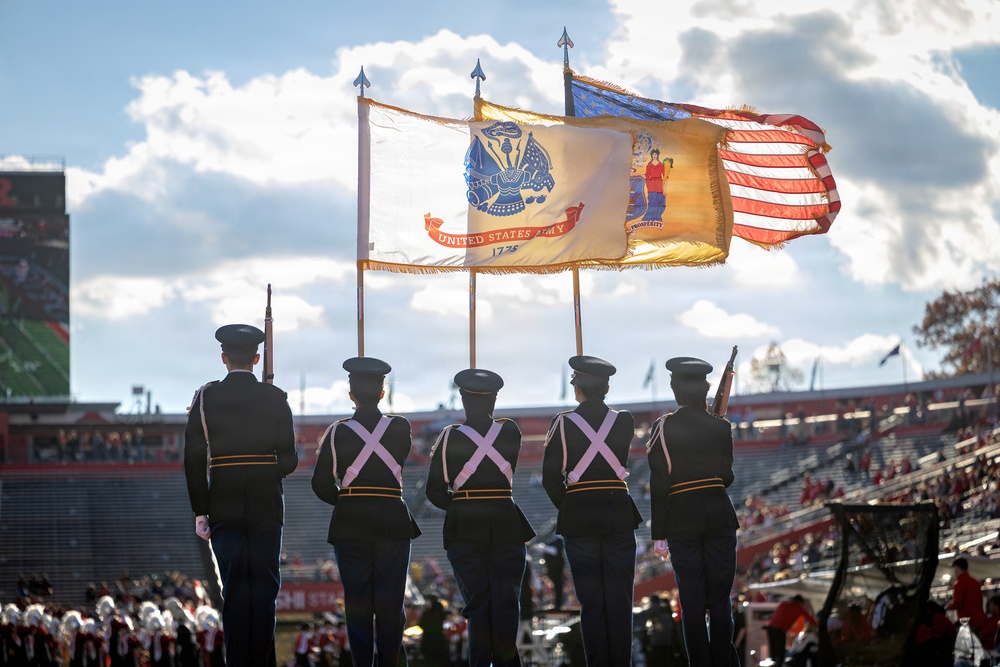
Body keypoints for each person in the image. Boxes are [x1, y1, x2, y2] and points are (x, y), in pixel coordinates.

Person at [184, 323, 297, 667]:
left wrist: (201, 511)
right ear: (257, 358)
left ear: (224, 358)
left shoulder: (206, 396)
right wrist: (265, 470)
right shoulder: (275, 398)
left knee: (233, 591)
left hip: (223, 503)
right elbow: (289, 460)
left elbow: (192, 459)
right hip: (266, 504)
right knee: (264, 591)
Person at [312, 357, 420, 667]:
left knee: (357, 605)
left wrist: (348, 502)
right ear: (383, 393)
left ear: (351, 395)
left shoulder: (337, 432)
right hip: (392, 521)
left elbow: (320, 484)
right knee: (391, 604)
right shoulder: (400, 427)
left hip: (351, 525)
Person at [425, 368, 536, 667]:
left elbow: (434, 490)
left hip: (465, 528)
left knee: (477, 605)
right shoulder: (510, 431)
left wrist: (462, 505)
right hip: (506, 523)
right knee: (505, 604)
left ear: (462, 399)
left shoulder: (449, 438)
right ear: (495, 399)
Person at [542, 355, 642, 667]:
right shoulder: (624, 420)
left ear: (578, 388)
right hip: (617, 513)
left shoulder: (562, 423)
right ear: (607, 386)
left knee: (591, 602)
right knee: (620, 601)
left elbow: (550, 479)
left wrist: (572, 505)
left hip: (580, 517)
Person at [646, 357, 740, 666]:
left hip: (682, 518)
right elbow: (726, 477)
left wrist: (658, 534)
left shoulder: (663, 427)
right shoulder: (721, 426)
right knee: (720, 601)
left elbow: (659, 482)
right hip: (719, 514)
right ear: (706, 389)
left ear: (675, 389)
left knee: (692, 602)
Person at [763, 595, 817, 666]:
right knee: (780, 654)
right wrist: (818, 626)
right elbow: (810, 619)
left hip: (770, 628)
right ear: (800, 602)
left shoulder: (783, 604)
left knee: (773, 653)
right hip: (779, 630)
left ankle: (774, 664)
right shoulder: (798, 607)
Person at [948, 557, 987, 640]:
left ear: (957, 568)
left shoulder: (959, 583)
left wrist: (948, 607)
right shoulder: (975, 582)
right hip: (980, 620)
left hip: (967, 621)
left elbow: (958, 603)